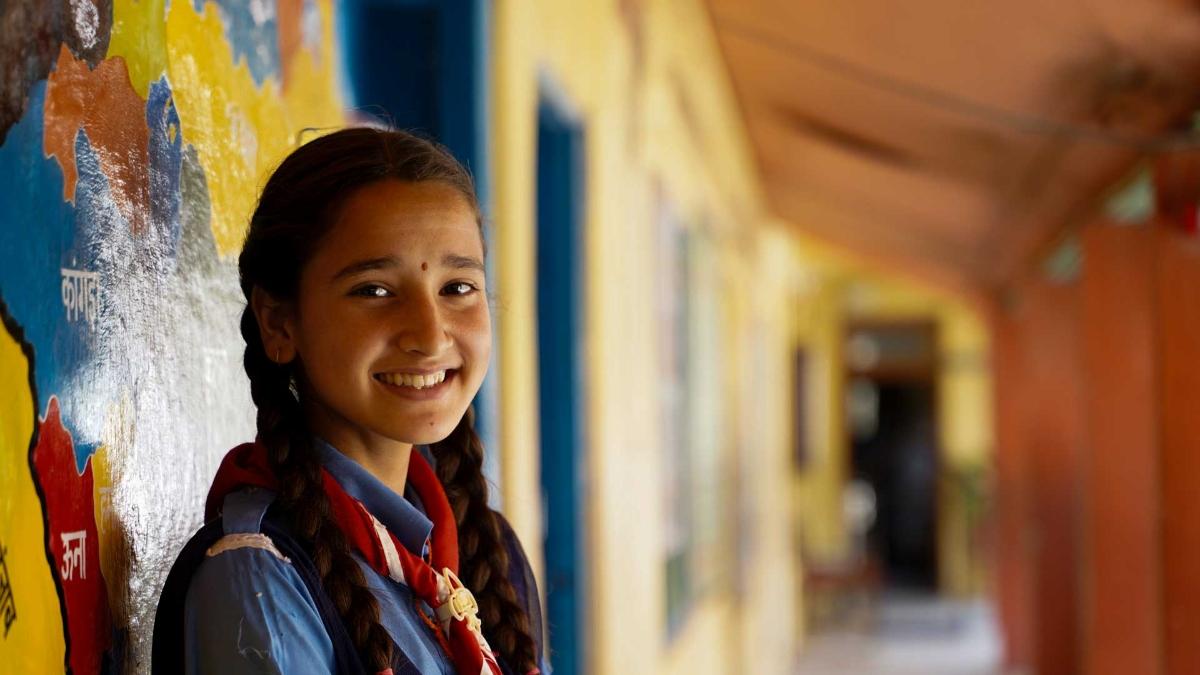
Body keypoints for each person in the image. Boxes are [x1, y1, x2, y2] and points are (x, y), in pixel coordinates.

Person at [152, 127, 546, 675]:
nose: (430, 336)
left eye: (457, 288)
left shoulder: (488, 558)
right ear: (279, 323)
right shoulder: (261, 579)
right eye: (374, 291)